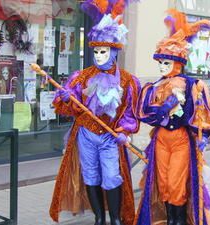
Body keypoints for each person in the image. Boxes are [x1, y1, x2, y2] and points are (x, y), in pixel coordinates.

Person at [49, 1, 141, 225]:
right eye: (97, 51)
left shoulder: (128, 80)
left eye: (104, 51)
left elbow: (132, 111)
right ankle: (99, 218)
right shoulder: (81, 77)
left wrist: (125, 131)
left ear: (114, 52)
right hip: (86, 135)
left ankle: (116, 219)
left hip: (110, 137)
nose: (99, 56)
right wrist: (65, 98)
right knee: (91, 175)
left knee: (111, 176)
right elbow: (69, 107)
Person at [134, 9, 210, 225]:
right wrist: (165, 108)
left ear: (178, 63)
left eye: (167, 63)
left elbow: (203, 113)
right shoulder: (154, 87)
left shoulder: (193, 86)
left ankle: (178, 221)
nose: (162, 67)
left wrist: (203, 136)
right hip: (161, 138)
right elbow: (145, 112)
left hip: (181, 139)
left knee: (176, 182)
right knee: (162, 182)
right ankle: (170, 219)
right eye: (160, 63)